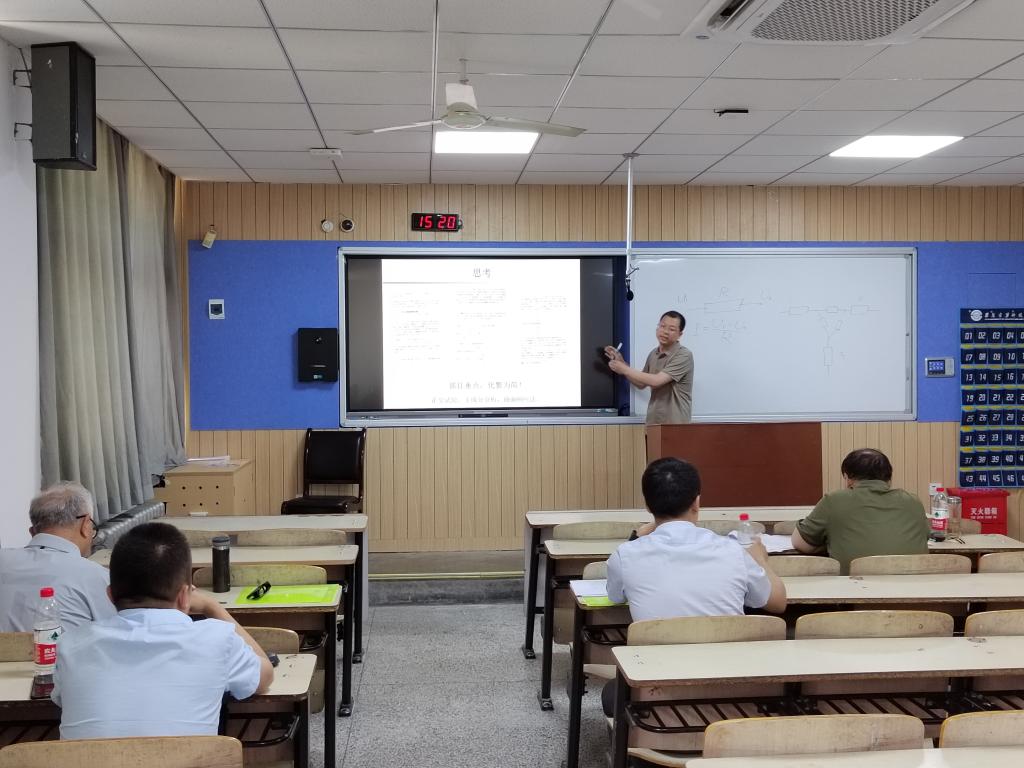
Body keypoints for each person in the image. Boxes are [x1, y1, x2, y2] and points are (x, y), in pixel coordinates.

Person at [53, 522, 274, 739]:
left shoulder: (70, 645)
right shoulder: (218, 640)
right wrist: (211, 606)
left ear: (110, 595)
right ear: (185, 595)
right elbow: (265, 675)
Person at [607, 457, 787, 622]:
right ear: (696, 502)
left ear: (647, 505)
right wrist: (760, 560)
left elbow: (616, 597)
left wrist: (637, 537)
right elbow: (778, 604)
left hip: (659, 648)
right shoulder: (734, 552)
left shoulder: (625, 555)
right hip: (725, 648)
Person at [791, 448, 929, 574]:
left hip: (856, 589)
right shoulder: (913, 502)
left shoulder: (834, 500)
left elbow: (799, 542)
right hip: (913, 588)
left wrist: (832, 542)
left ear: (847, 479)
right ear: (889, 479)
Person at [0, 482, 115, 631]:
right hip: (60, 647)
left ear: (33, 532)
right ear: (86, 525)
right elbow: (117, 633)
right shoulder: (98, 577)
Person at [604, 310, 694, 424]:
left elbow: (657, 381)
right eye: (662, 326)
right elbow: (641, 384)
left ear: (680, 334)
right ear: (657, 328)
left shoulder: (683, 355)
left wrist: (624, 369)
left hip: (676, 424)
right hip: (654, 422)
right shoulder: (653, 354)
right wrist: (622, 363)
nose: (665, 332)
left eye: (671, 329)